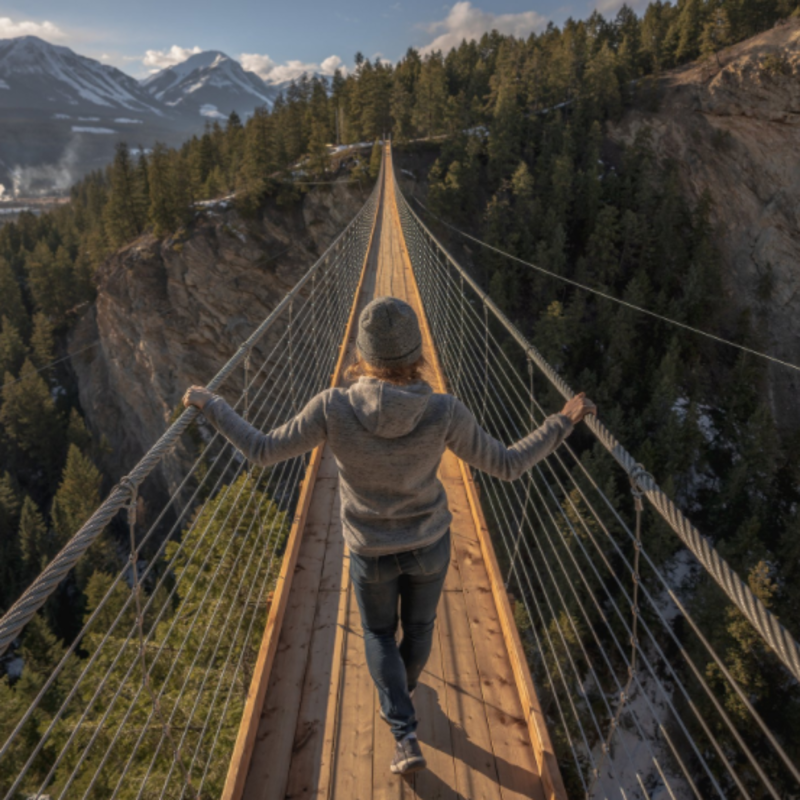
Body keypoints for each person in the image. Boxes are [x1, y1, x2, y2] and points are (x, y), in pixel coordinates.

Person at [182, 295, 596, 776]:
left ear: (362, 355)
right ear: (417, 354)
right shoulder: (444, 411)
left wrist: (213, 405)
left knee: (378, 633)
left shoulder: (332, 407)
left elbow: (261, 450)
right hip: (428, 546)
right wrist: (561, 422)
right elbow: (506, 465)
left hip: (370, 551)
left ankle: (404, 734)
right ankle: (405, 686)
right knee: (418, 629)